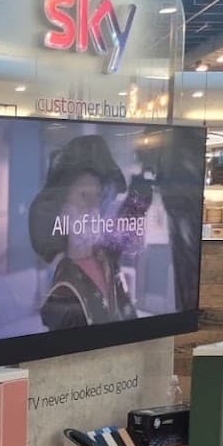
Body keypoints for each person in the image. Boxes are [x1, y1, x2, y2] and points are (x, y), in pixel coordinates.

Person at [27, 135, 137, 330]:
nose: (94, 207)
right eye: (84, 196)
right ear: (61, 208)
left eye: (99, 196)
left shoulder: (106, 259)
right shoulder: (64, 290)